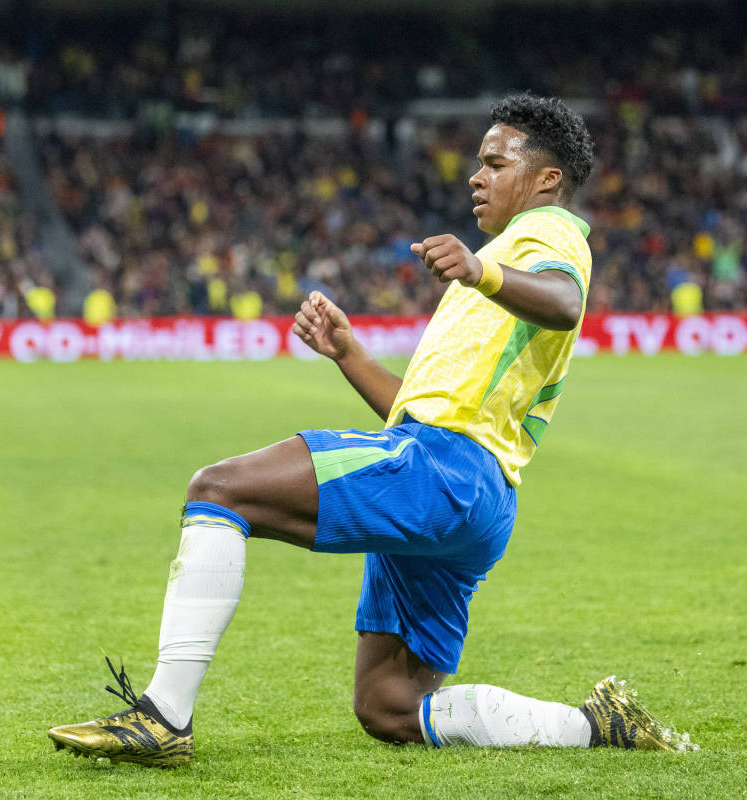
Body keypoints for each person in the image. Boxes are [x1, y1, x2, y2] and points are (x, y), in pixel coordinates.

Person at [47, 94, 694, 767]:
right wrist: (349, 356)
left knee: (219, 490)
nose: (476, 176)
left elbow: (564, 304)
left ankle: (162, 717)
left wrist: (481, 269)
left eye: (494, 163)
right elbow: (419, 410)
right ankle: (593, 725)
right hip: (473, 490)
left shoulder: (550, 232)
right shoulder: (502, 266)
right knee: (388, 705)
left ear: (547, 178)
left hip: (447, 472)